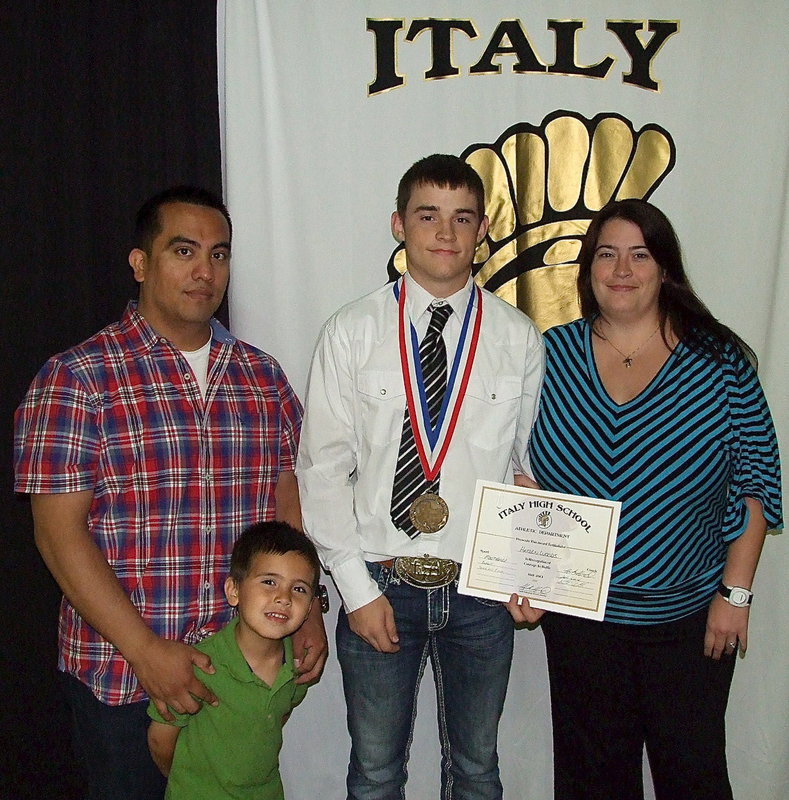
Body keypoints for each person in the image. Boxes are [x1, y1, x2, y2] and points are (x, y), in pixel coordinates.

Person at [14, 186, 327, 800]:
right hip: (125, 680)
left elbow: (284, 500)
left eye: (219, 254)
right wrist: (145, 651)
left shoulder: (262, 377)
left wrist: (306, 612)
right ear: (140, 263)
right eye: (183, 251)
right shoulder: (77, 379)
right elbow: (57, 533)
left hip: (244, 673)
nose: (204, 271)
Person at [507, 198, 783, 800]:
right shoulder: (548, 357)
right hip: (581, 622)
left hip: (688, 622)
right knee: (590, 783)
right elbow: (518, 476)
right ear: (588, 270)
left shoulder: (721, 362)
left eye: (640, 254)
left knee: (694, 778)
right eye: (607, 254)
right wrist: (525, 570)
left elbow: (757, 483)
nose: (623, 269)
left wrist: (734, 596)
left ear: (665, 268)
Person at [296, 154, 544, 800]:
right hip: (380, 580)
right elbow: (321, 469)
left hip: (481, 589)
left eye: (462, 218)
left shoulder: (516, 337)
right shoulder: (351, 333)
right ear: (397, 225)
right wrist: (353, 589)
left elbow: (526, 471)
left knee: (477, 769)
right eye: (427, 216)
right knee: (375, 772)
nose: (444, 233)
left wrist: (527, 570)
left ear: (483, 228)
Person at [147, 520, 321, 799]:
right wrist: (191, 784)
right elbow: (160, 740)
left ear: (311, 605)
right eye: (269, 582)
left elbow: (274, 718)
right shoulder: (202, 665)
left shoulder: (299, 665)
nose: (283, 598)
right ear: (234, 591)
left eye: (299, 589)